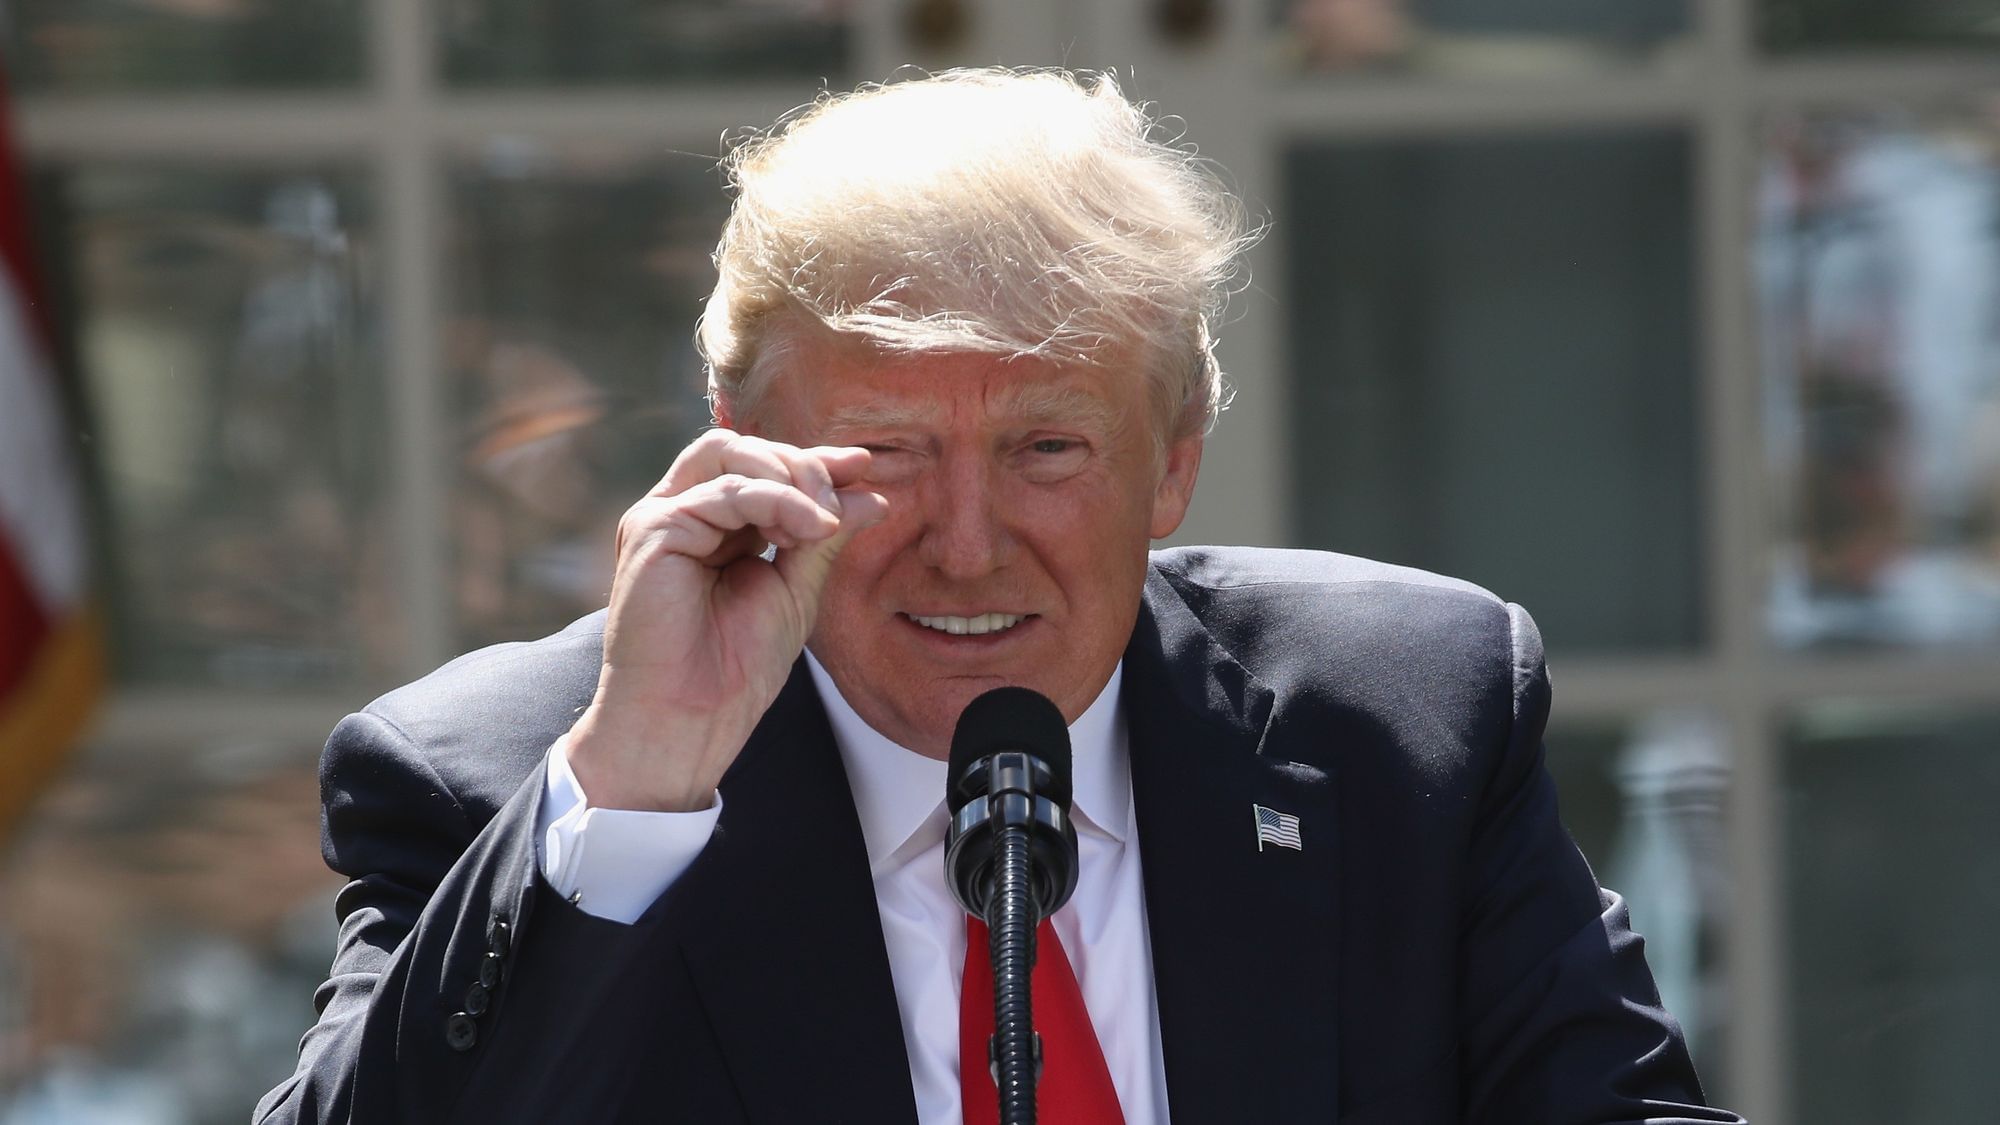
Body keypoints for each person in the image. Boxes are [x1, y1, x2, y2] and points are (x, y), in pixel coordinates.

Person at [255, 68, 1742, 1124]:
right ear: (740, 441)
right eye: (887, 453)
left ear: (1172, 468)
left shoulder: (1407, 716)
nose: (967, 543)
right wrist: (637, 781)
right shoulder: (507, 778)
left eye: (1047, 449)